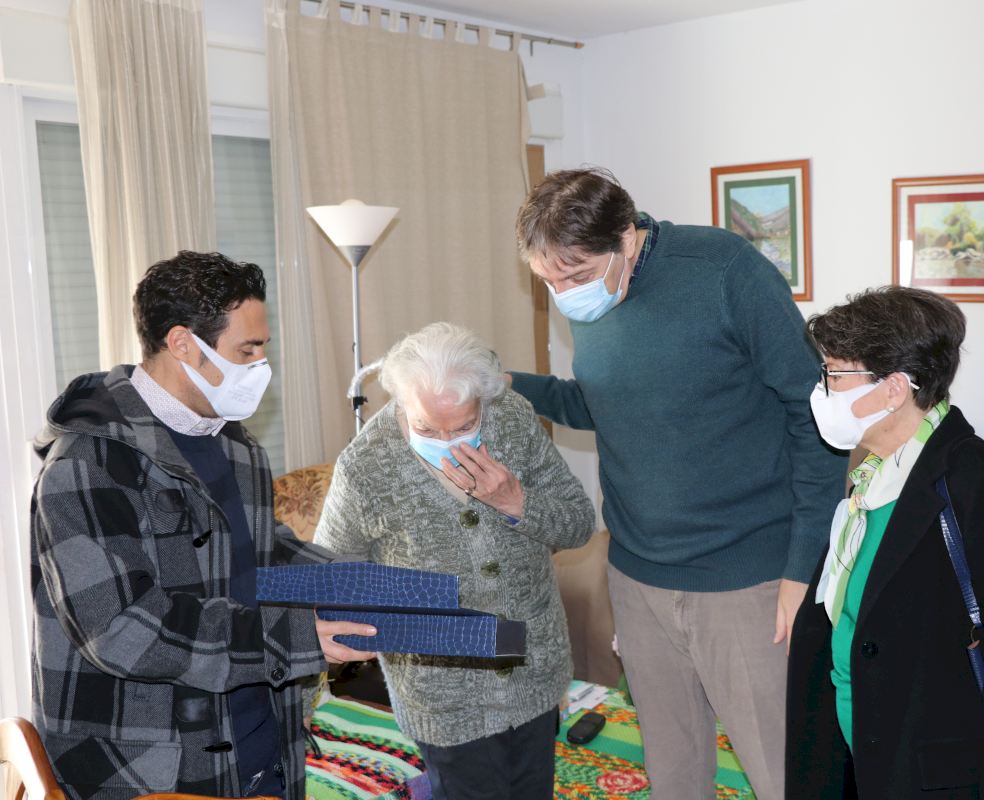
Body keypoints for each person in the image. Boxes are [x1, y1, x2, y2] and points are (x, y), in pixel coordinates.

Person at [509, 167, 846, 800]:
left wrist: (804, 568)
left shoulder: (724, 271)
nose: (565, 294)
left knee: (784, 774)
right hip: (637, 576)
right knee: (674, 775)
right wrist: (507, 386)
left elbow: (816, 415)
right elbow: (605, 402)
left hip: (748, 579)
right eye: (548, 281)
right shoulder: (594, 294)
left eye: (576, 277)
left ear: (625, 239)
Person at [30, 251, 375, 800]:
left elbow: (259, 551)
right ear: (183, 344)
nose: (262, 365)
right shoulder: (88, 463)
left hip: (260, 745)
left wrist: (363, 581)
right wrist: (296, 637)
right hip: (150, 766)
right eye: (248, 350)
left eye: (263, 348)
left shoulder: (235, 445)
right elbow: (123, 631)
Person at [785, 286, 984, 798]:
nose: (822, 389)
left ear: (894, 389)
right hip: (855, 753)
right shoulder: (872, 474)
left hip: (934, 772)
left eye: (834, 374)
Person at [312, 322, 594, 800]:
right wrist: (301, 697)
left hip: (534, 671)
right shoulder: (366, 466)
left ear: (484, 400)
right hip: (444, 700)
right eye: (426, 428)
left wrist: (517, 504)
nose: (447, 441)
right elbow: (329, 583)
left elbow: (579, 523)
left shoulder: (512, 418)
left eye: (464, 427)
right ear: (400, 403)